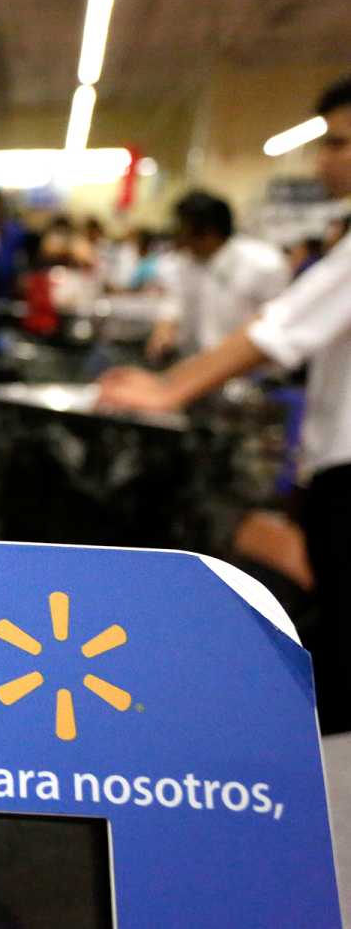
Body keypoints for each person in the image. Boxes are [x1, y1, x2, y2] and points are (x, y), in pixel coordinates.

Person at [98, 75, 351, 732]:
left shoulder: (283, 259)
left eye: (340, 143)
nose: (325, 159)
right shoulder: (193, 267)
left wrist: (170, 389)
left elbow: (277, 329)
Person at [145, 191, 288, 362]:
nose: (176, 236)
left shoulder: (263, 263)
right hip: (191, 365)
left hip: (243, 373)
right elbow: (174, 301)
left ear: (206, 232)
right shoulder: (184, 262)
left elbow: (275, 327)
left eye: (181, 228)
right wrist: (164, 330)